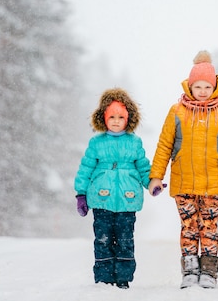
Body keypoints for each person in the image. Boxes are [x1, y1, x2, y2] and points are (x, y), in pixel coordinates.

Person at [148, 50, 218, 289]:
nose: (203, 91)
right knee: (188, 228)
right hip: (183, 182)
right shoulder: (177, 112)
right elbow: (164, 145)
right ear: (190, 86)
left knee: (209, 228)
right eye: (198, 86)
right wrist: (156, 177)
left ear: (215, 86)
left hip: (213, 184)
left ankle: (208, 270)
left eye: (208, 86)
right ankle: (189, 269)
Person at [74, 87, 151, 289]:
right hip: (102, 200)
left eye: (120, 117)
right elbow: (86, 169)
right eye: (112, 117)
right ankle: (104, 276)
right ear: (104, 118)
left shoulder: (134, 142)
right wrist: (81, 194)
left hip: (127, 200)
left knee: (125, 239)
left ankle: (123, 277)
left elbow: (143, 167)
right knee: (103, 238)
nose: (116, 121)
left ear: (128, 119)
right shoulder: (96, 143)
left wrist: (152, 183)